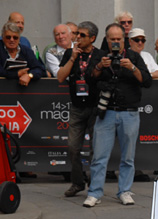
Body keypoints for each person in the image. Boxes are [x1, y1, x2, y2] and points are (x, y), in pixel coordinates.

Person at [83, 22, 151, 208]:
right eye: (112, 39)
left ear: (125, 40)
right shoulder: (99, 56)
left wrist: (132, 68)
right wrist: (98, 66)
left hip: (129, 112)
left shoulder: (134, 57)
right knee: (99, 156)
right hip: (106, 112)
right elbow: (88, 78)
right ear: (106, 39)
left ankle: (125, 191)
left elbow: (147, 81)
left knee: (128, 157)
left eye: (119, 39)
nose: (115, 42)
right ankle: (95, 192)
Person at [57, 21, 100, 198]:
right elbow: (60, 77)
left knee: (95, 149)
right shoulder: (70, 53)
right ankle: (77, 183)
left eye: (82, 35)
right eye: (77, 34)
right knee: (73, 147)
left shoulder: (100, 55)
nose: (78, 38)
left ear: (92, 38)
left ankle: (94, 183)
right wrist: (73, 57)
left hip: (95, 108)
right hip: (77, 107)